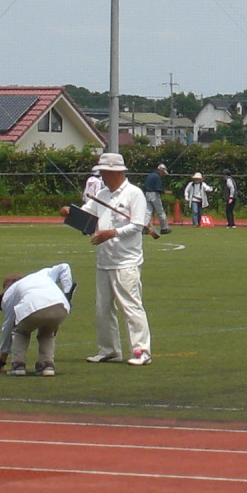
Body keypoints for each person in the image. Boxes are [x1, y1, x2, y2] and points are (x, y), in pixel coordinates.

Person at [81, 151, 153, 365]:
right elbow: (87, 214)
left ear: (116, 172)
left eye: (105, 172)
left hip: (126, 261)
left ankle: (142, 352)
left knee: (131, 306)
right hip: (104, 260)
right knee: (103, 309)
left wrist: (112, 233)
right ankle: (109, 350)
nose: (102, 175)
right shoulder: (102, 194)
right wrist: (70, 213)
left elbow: (138, 225)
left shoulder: (134, 193)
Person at [0, 263, 74, 375]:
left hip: (33, 306)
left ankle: (18, 365)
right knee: (48, 333)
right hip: (61, 304)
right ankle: (47, 365)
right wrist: (67, 294)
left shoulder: (9, 295)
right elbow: (64, 267)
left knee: (20, 331)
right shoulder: (42, 274)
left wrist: (1, 360)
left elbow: (8, 327)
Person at [142, 163, 172, 236]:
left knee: (147, 212)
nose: (163, 174)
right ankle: (164, 228)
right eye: (163, 172)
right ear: (161, 170)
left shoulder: (150, 175)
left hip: (147, 194)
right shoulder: (157, 177)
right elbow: (157, 188)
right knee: (160, 211)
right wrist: (165, 192)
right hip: (154, 194)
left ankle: (145, 227)